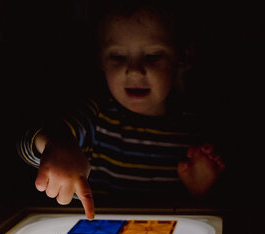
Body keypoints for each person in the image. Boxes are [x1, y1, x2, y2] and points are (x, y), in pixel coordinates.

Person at [18, 1, 225, 219]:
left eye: (153, 56)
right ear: (100, 59)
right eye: (118, 56)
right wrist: (57, 146)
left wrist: (200, 192)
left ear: (182, 56)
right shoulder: (96, 118)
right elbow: (28, 141)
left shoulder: (195, 132)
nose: (134, 71)